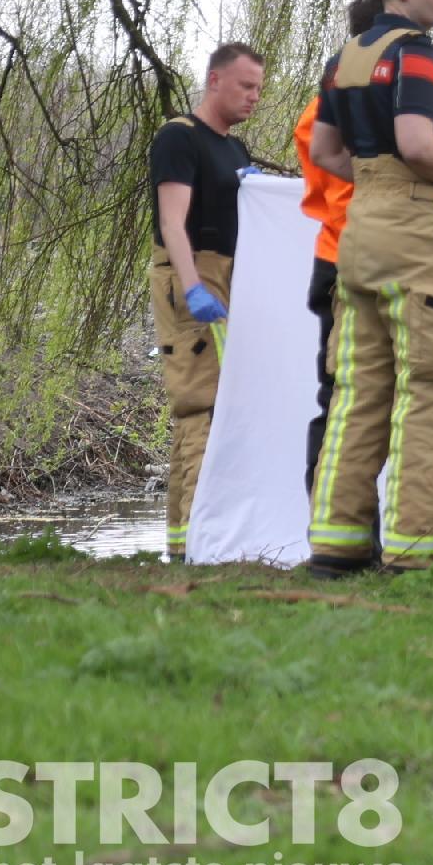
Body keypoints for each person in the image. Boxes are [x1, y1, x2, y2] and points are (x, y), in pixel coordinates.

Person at [305, 0, 433, 577]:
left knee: (358, 389)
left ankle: (337, 542)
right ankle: (416, 547)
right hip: (415, 235)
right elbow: (416, 140)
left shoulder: (344, 57)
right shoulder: (415, 53)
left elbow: (325, 151)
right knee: (432, 384)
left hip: (360, 233)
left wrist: (373, 179)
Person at [148, 41, 265, 560]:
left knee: (210, 408)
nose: (254, 97)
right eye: (246, 86)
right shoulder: (179, 137)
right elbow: (173, 221)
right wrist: (192, 285)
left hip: (230, 275)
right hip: (193, 272)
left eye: (259, 88)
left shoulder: (235, 150)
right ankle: (201, 543)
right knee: (202, 407)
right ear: (214, 81)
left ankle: (183, 543)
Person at [294, 0, 381, 496]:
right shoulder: (366, 101)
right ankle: (342, 526)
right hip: (359, 255)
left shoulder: (319, 109)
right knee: (352, 396)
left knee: (341, 394)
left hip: (334, 256)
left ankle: (334, 523)